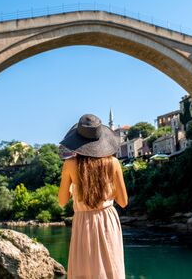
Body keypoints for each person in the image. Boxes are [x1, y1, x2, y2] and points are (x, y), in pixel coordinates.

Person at [58, 114, 128, 279]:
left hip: (84, 223)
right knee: (111, 269)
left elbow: (61, 201)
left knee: (85, 271)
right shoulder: (113, 163)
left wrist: (73, 191)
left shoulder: (70, 164)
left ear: (77, 141)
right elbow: (123, 202)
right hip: (107, 221)